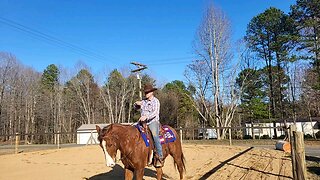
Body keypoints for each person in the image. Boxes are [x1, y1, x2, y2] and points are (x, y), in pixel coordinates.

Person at [134, 83, 163, 167]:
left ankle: (160, 156)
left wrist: (146, 117)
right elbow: (135, 108)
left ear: (152, 92)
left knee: (155, 135)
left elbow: (155, 113)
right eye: (145, 92)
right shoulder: (143, 101)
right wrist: (136, 104)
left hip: (152, 122)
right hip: (142, 122)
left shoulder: (156, 101)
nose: (146, 94)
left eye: (148, 92)